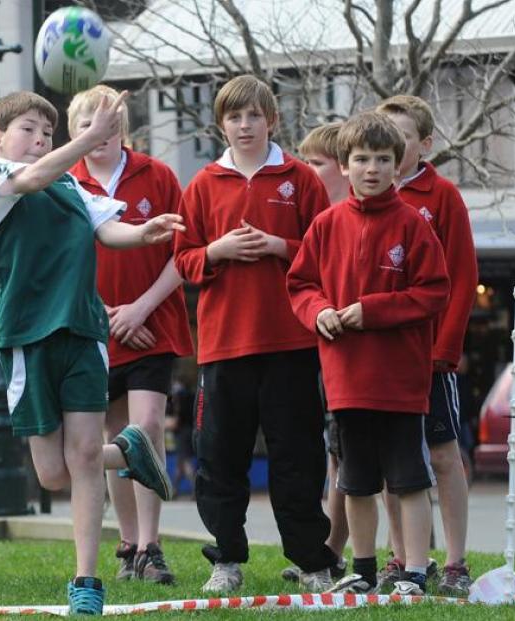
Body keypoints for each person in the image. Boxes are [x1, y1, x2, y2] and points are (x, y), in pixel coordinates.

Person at [0, 90, 181, 615]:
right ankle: (132, 452)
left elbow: (106, 229)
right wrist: (87, 139)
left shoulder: (70, 183)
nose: (40, 139)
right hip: (26, 336)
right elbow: (30, 179)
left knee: (85, 456)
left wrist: (143, 233)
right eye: (28, 129)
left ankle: (86, 580)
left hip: (84, 332)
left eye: (47, 132)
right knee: (52, 473)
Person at [173, 74, 338, 594]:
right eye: (234, 117)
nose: (244, 126)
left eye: (253, 116)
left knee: (299, 456)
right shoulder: (201, 184)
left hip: (292, 341)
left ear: (273, 120)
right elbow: (182, 259)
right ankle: (226, 560)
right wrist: (217, 252)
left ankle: (312, 562)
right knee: (220, 457)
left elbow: (326, 252)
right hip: (224, 344)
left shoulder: (301, 179)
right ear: (220, 124)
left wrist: (277, 245)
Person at [287, 111, 450, 596]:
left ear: (398, 166)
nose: (372, 168)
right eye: (361, 159)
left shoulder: (414, 226)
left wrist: (370, 311)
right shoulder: (324, 225)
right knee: (354, 482)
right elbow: (300, 284)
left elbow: (434, 291)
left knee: (408, 480)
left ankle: (415, 572)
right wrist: (318, 312)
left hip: (400, 384)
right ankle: (363, 569)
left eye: (382, 159)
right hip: (346, 382)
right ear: (344, 164)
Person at [67, 85, 194, 585]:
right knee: (112, 434)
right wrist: (106, 316)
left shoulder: (157, 175)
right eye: (87, 126)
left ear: (124, 129)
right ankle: (126, 542)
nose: (99, 136)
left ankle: (151, 544)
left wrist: (139, 309)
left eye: (110, 126)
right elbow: (62, 264)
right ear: (74, 132)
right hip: (92, 330)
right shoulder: (65, 181)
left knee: (146, 429)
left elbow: (182, 254)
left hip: (152, 325)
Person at [377, 94, 479, 596]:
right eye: (384, 138)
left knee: (443, 455)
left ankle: (457, 563)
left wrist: (446, 348)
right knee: (392, 460)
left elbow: (462, 277)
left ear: (425, 144)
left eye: (402, 139)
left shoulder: (442, 197)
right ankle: (400, 557)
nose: (392, 150)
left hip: (431, 356)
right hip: (381, 361)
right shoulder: (368, 197)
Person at [279, 121, 351, 585]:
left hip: (362, 357)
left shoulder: (353, 217)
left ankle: (401, 557)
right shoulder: (319, 220)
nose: (306, 171)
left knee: (369, 457)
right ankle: (332, 548)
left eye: (316, 163)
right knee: (336, 453)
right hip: (320, 351)